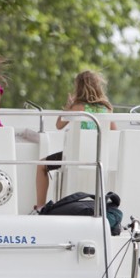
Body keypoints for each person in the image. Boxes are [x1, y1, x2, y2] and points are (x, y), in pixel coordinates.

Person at [35, 70, 118, 211]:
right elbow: (114, 133)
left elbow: (59, 125)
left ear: (78, 87)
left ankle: (40, 206)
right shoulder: (106, 109)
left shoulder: (77, 107)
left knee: (42, 165)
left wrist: (68, 107)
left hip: (76, 157)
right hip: (100, 158)